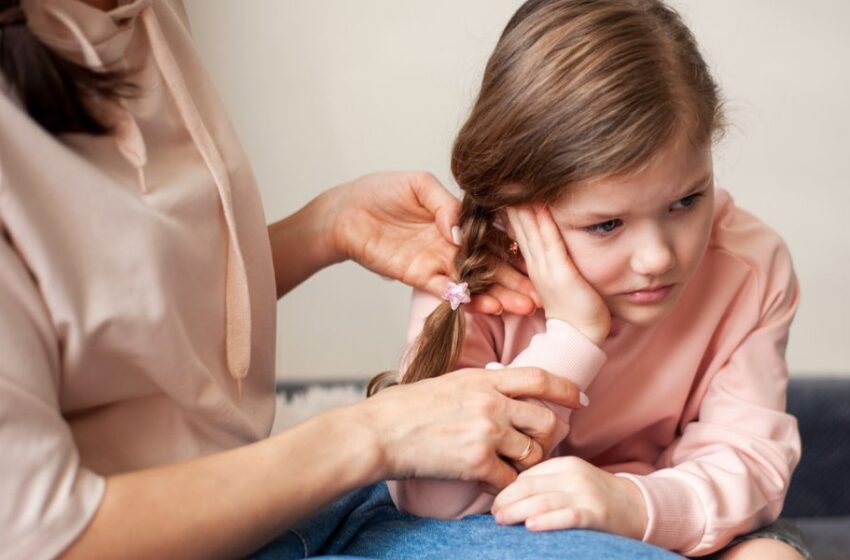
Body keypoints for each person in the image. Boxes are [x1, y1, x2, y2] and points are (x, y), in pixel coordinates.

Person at [0, 1, 592, 558]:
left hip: (271, 500)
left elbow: (109, 319)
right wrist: (375, 434)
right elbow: (45, 537)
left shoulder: (148, 16)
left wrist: (323, 228)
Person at [370, 0, 811, 559]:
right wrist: (574, 335)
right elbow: (433, 500)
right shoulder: (474, 275)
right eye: (606, 224)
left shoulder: (750, 265)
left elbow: (747, 462)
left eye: (686, 201)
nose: (656, 258)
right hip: (500, 521)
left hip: (670, 507)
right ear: (516, 209)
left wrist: (630, 505)